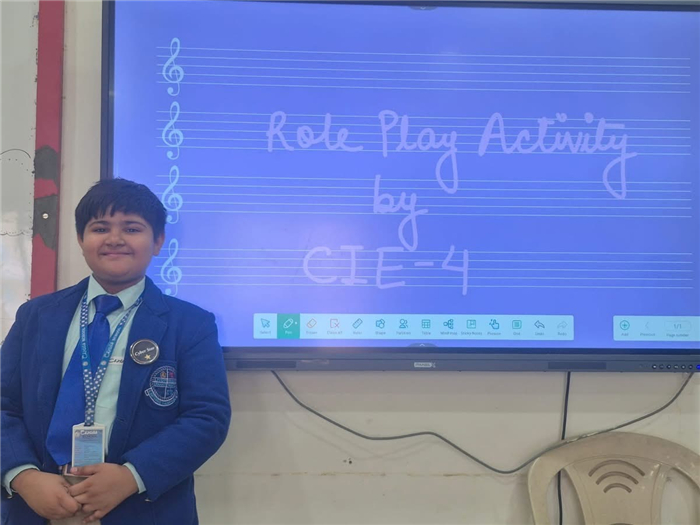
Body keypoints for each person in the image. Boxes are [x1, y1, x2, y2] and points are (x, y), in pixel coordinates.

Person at [0, 178, 231, 525]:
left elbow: (206, 417)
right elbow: (3, 404)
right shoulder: (36, 315)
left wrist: (131, 476)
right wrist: (23, 476)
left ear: (158, 241)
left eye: (132, 228)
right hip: (38, 505)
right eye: (100, 228)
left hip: (142, 507)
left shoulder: (191, 324)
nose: (115, 239)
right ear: (81, 239)